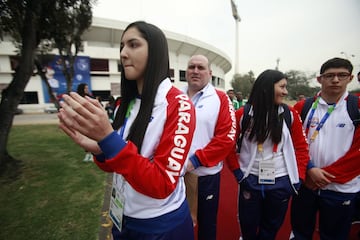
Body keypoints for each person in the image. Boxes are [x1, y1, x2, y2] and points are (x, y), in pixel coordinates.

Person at [58, 21, 196, 240]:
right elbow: (119, 163)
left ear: (156, 52)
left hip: (160, 225)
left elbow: (161, 184)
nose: (123, 53)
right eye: (122, 46)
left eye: (133, 45)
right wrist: (98, 149)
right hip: (122, 215)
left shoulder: (179, 105)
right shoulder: (126, 103)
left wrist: (108, 139)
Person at [226, 69, 309, 240]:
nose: (286, 92)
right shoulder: (243, 114)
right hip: (250, 180)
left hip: (280, 182)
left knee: (270, 229)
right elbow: (228, 144)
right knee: (248, 228)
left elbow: (301, 147)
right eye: (282, 87)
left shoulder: (289, 114)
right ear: (267, 87)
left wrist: (298, 178)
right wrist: (238, 173)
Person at [290, 57, 360, 240]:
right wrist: (309, 170)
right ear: (320, 79)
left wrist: (325, 176)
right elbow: (290, 144)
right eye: (330, 75)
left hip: (341, 188)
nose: (336, 80)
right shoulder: (302, 107)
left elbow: (357, 154)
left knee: (335, 236)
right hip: (306, 185)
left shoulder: (357, 107)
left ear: (350, 78)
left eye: (341, 75)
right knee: (300, 233)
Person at [183, 54, 236, 240]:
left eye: (200, 67)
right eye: (191, 67)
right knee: (179, 224)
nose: (195, 71)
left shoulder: (220, 98)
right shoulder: (175, 97)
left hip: (206, 176)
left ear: (210, 73)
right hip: (175, 175)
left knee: (207, 226)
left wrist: (196, 160)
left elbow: (227, 138)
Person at [76, 83, 94, 162]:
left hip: (90, 119)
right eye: (85, 88)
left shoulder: (90, 97)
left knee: (92, 137)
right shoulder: (78, 98)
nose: (87, 89)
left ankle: (93, 155)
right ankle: (87, 154)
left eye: (87, 88)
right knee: (85, 138)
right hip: (82, 120)